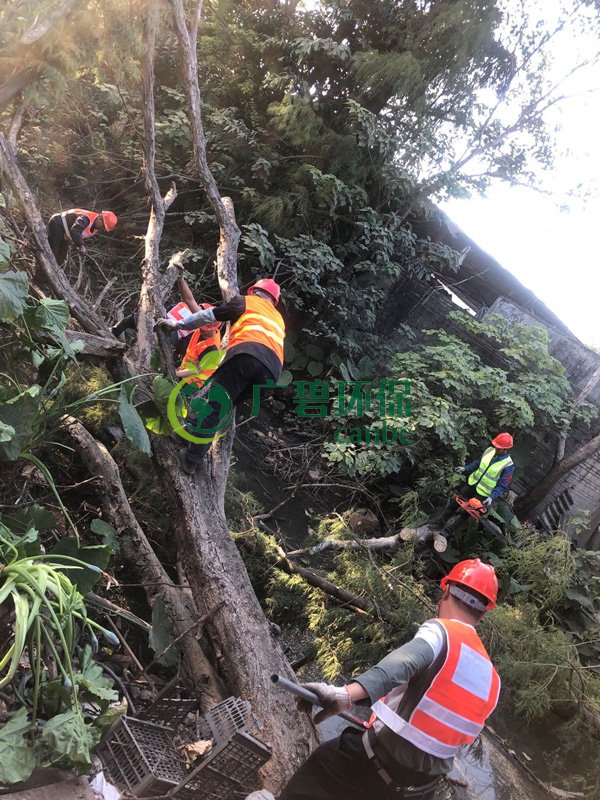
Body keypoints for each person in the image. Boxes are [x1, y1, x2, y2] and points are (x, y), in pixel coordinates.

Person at [280, 559, 501, 800]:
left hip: (376, 765)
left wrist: (344, 695)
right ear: (483, 613)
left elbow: (401, 665)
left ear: (446, 591)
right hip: (420, 790)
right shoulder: (493, 680)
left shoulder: (441, 632)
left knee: (320, 767)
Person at [155, 278, 284, 473]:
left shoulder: (245, 302)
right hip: (271, 374)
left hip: (246, 356)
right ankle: (190, 431)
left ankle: (192, 459)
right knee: (223, 404)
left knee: (213, 406)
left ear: (253, 290)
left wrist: (177, 324)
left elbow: (208, 316)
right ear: (274, 301)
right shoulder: (278, 319)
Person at [47, 208, 118, 265]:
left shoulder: (94, 227)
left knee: (61, 259)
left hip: (65, 231)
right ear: (100, 218)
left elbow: (76, 235)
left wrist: (77, 245)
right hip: (58, 223)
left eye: (104, 228)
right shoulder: (86, 219)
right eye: (103, 226)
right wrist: (81, 245)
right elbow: (75, 231)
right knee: (53, 251)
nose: (101, 228)